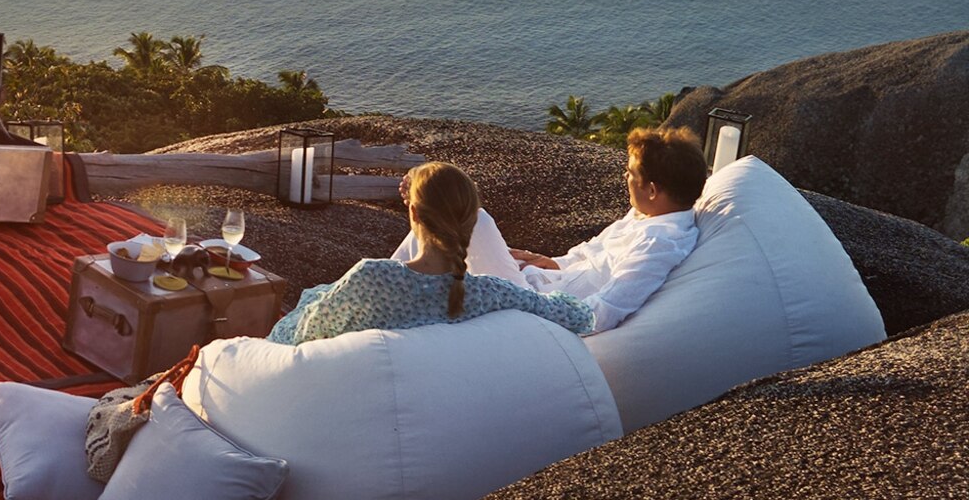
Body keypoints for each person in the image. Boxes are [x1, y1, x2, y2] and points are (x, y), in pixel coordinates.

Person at [268, 162, 592, 346]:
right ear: (473, 222)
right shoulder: (490, 293)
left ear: (415, 216)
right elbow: (578, 315)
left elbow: (288, 337)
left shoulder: (373, 280)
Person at [506, 125, 707, 335]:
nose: (625, 177)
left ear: (652, 190)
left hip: (536, 304)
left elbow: (603, 311)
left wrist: (530, 304)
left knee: (478, 225)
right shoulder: (647, 215)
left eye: (631, 173)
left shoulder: (659, 242)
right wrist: (557, 263)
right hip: (539, 282)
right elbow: (593, 247)